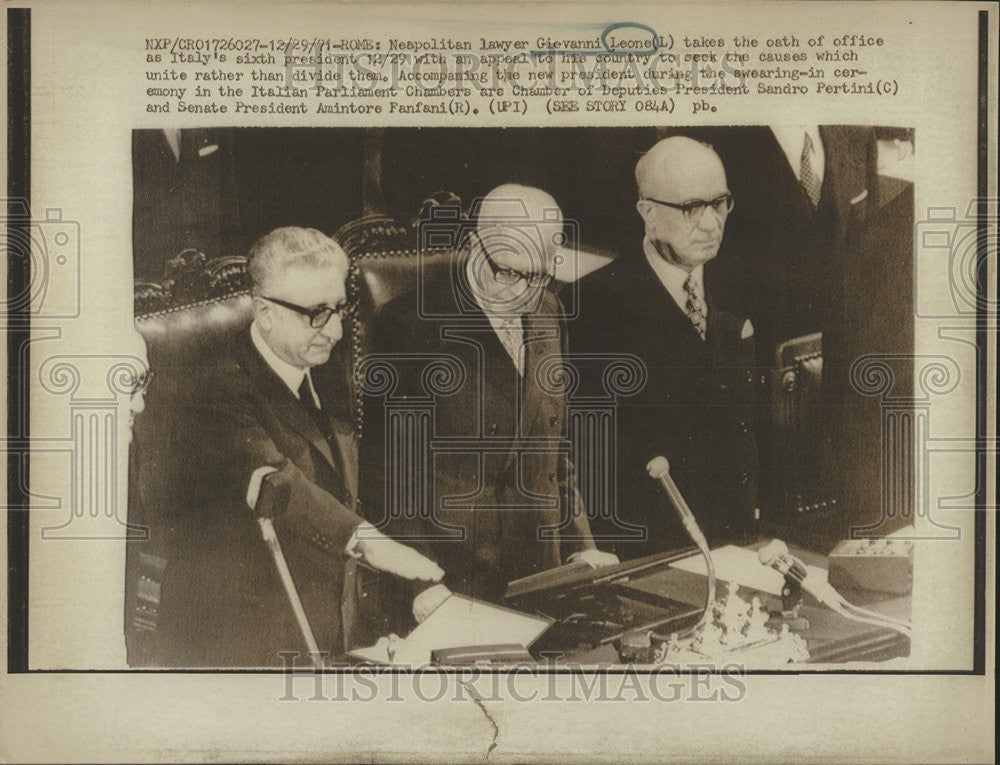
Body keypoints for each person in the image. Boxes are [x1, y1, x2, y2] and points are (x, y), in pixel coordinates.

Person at [156, 227, 444, 667]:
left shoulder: (326, 365)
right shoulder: (212, 388)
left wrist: (416, 585)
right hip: (241, 637)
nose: (334, 330)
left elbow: (365, 485)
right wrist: (373, 545)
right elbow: (277, 484)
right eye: (316, 313)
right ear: (264, 312)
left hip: (334, 624)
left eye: (338, 309)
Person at [361, 184, 618, 621]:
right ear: (474, 245)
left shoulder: (550, 311)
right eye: (509, 273)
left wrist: (582, 550)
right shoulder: (409, 326)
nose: (524, 292)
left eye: (540, 276)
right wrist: (419, 583)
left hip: (541, 571)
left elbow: (555, 449)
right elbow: (387, 473)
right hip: (450, 581)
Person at [571, 137, 762, 559]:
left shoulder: (746, 283)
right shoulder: (593, 309)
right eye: (692, 208)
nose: (712, 223)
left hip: (741, 543)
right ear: (649, 214)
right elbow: (595, 467)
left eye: (721, 203)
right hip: (651, 553)